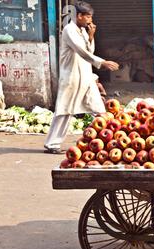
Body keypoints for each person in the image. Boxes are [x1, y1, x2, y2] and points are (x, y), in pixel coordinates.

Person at [44, 1, 119, 154]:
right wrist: (102, 62)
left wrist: (91, 36)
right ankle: (52, 144)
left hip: (86, 76)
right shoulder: (69, 30)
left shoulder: (83, 31)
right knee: (65, 110)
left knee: (98, 108)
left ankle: (109, 140)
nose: (90, 20)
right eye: (88, 17)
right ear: (79, 16)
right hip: (71, 76)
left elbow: (89, 49)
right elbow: (81, 52)